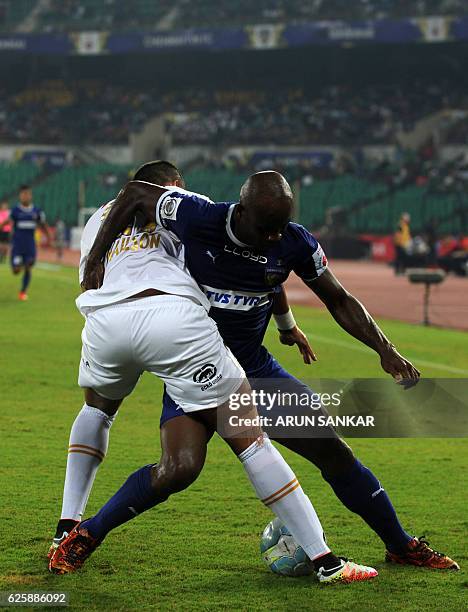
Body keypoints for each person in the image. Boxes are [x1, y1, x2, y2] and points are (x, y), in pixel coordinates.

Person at [51, 164, 458, 573]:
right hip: (193, 367)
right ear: (242, 212)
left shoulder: (292, 241)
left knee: (332, 452)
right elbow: (138, 194)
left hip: (255, 369)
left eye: (280, 228)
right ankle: (86, 533)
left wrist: (377, 347)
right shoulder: (201, 217)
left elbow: (332, 296)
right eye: (266, 228)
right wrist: (97, 261)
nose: (273, 237)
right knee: (179, 469)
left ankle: (400, 545)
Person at [0, 185, 49, 300]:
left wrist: (49, 237)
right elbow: (6, 222)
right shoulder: (15, 211)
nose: (25, 196)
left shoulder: (36, 211)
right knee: (16, 271)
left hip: (30, 246)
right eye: (23, 194)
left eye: (27, 194)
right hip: (17, 246)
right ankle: (20, 263)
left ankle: (23, 292)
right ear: (20, 196)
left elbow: (43, 224)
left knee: (29, 266)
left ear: (30, 196)